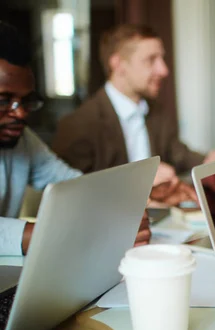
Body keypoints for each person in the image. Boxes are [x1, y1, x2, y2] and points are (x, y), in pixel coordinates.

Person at [0, 21, 150, 255]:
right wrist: (76, 231)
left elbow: (70, 183)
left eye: (26, 101)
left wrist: (121, 210)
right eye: (3, 100)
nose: (20, 113)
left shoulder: (23, 140)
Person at [52, 24, 215, 205]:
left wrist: (209, 161)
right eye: (151, 60)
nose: (163, 70)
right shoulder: (79, 124)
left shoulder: (157, 111)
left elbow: (178, 154)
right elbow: (69, 195)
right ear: (118, 65)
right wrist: (140, 183)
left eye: (161, 59)